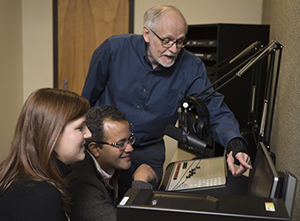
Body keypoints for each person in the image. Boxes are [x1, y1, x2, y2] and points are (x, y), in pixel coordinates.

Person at [81, 4, 252, 199]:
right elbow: (87, 101)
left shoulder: (191, 66)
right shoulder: (114, 49)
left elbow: (213, 107)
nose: (173, 49)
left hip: (147, 149)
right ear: (147, 33)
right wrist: (84, 143)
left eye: (180, 42)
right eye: (167, 41)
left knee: (140, 206)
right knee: (96, 202)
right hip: (104, 147)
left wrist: (235, 143)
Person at [0, 88, 92, 220]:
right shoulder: (40, 194)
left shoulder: (19, 175)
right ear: (52, 135)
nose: (89, 134)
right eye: (80, 127)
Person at [66, 105, 157, 221]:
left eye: (129, 139)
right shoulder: (81, 183)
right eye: (120, 143)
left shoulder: (110, 163)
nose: (130, 148)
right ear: (95, 149)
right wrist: (141, 181)